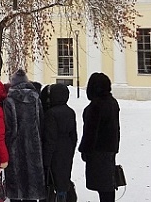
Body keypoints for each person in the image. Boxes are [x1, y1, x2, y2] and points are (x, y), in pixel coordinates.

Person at [3, 69, 45, 202]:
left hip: (15, 148)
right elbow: (40, 122)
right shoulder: (36, 98)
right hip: (34, 147)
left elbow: (9, 128)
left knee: (16, 187)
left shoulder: (9, 100)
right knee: (31, 187)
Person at [79, 73, 120, 202]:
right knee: (107, 185)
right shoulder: (112, 103)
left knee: (103, 186)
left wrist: (85, 150)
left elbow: (90, 132)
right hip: (110, 148)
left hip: (98, 151)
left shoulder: (95, 107)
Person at [42, 83, 78, 202]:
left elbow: (50, 138)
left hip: (55, 152)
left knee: (53, 180)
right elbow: (74, 135)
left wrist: (46, 160)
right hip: (67, 149)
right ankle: (63, 198)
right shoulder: (70, 112)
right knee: (64, 178)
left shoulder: (51, 113)